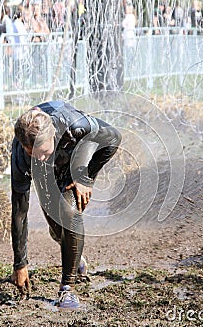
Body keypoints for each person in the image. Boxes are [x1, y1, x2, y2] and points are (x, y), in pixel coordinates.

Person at [10, 101, 121, 309]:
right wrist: (20, 263)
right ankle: (74, 253)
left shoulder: (75, 124)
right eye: (33, 154)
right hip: (46, 176)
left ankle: (66, 289)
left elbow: (114, 138)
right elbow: (19, 211)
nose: (40, 158)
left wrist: (86, 178)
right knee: (57, 229)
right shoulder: (20, 155)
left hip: (74, 160)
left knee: (69, 214)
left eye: (43, 151)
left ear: (52, 135)